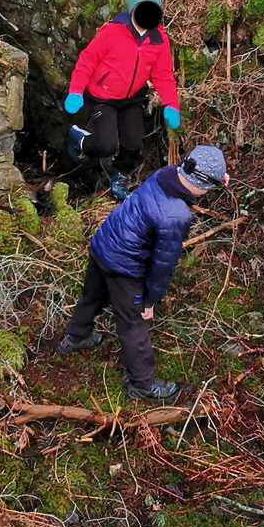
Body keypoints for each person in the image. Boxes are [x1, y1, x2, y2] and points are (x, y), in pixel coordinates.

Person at [57, 143, 228, 401]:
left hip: (104, 244)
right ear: (202, 183)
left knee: (92, 295)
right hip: (124, 265)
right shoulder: (176, 215)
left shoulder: (166, 174)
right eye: (210, 186)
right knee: (132, 325)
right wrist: (149, 300)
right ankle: (142, 385)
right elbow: (163, 264)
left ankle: (77, 336)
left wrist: (216, 176)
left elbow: (197, 172)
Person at [62, 0, 182, 196]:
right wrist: (76, 91)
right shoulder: (112, 32)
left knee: (134, 144)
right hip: (102, 97)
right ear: (133, 10)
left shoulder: (158, 39)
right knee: (105, 145)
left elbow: (163, 75)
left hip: (132, 98)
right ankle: (78, 138)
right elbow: (86, 61)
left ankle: (120, 176)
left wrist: (171, 105)